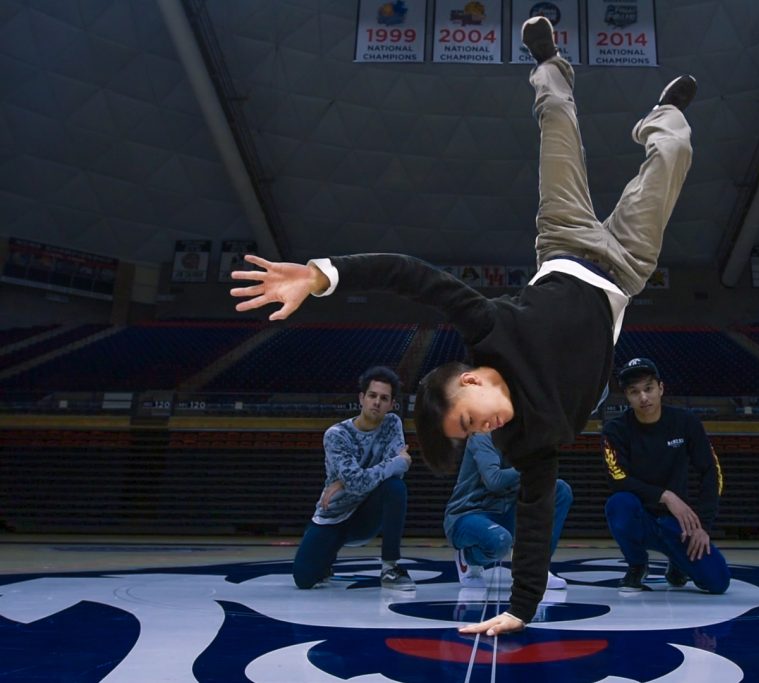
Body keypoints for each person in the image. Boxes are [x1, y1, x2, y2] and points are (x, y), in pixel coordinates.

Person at [231, 16, 696, 634]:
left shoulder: (487, 330)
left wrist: (320, 275)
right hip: (627, 269)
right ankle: (663, 114)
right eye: (474, 431)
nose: (486, 426)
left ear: (472, 381)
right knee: (675, 151)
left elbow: (409, 275)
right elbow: (532, 520)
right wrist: (520, 608)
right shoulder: (531, 441)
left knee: (556, 119)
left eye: (471, 415)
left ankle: (548, 63)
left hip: (563, 238)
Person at [602, 357, 730, 594]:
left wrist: (702, 525)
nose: (643, 398)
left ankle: (678, 563)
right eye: (634, 392)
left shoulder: (686, 422)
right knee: (619, 504)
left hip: (677, 522)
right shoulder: (615, 429)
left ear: (661, 388)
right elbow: (618, 479)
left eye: (648, 389)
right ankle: (637, 565)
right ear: (627, 396)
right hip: (640, 516)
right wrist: (665, 496)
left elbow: (711, 471)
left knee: (718, 582)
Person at [291, 366, 415, 591]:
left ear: (391, 404)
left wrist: (347, 481)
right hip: (335, 514)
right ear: (362, 398)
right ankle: (326, 557)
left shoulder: (392, 423)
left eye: (384, 398)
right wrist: (393, 462)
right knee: (304, 579)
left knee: (395, 487)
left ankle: (390, 568)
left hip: (365, 515)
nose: (377, 402)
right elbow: (390, 467)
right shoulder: (336, 435)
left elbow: (397, 473)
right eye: (372, 396)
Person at [446, 433, 572, 590]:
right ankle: (467, 558)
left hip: (507, 510)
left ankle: (536, 568)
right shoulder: (482, 436)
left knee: (559, 489)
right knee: (500, 540)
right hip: (470, 513)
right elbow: (494, 480)